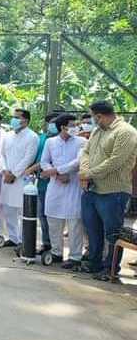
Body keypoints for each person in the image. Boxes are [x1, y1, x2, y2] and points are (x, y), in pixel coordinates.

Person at [79, 100, 137, 280]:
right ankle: (94, 263)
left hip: (114, 191)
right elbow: (86, 152)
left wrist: (89, 173)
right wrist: (85, 171)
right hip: (91, 190)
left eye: (92, 116)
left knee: (112, 232)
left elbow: (116, 161)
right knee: (92, 229)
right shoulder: (97, 131)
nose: (91, 121)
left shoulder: (126, 132)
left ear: (99, 116)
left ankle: (110, 269)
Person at [40, 114, 87, 269]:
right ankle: (56, 253)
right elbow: (44, 162)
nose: (76, 127)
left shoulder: (82, 142)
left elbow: (78, 161)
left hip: (74, 185)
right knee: (53, 220)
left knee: (75, 223)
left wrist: (58, 170)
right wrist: (57, 175)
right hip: (55, 185)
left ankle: (75, 257)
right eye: (72, 125)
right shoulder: (50, 142)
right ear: (62, 127)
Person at [0, 108, 39, 247]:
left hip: (21, 179)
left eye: (17, 117)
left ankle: (23, 240)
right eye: (13, 117)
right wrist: (4, 170)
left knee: (23, 209)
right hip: (6, 176)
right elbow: (1, 154)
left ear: (25, 120)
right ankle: (13, 238)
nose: (14, 119)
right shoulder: (7, 135)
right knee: (9, 209)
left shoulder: (32, 137)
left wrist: (14, 174)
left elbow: (29, 158)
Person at [24, 112, 60, 254]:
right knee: (42, 215)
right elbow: (37, 157)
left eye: (54, 122)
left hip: (53, 180)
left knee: (53, 216)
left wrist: (30, 169)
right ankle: (46, 243)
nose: (51, 124)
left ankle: (56, 247)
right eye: (49, 122)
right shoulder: (43, 138)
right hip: (41, 182)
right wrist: (32, 169)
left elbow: (46, 161)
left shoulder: (60, 140)